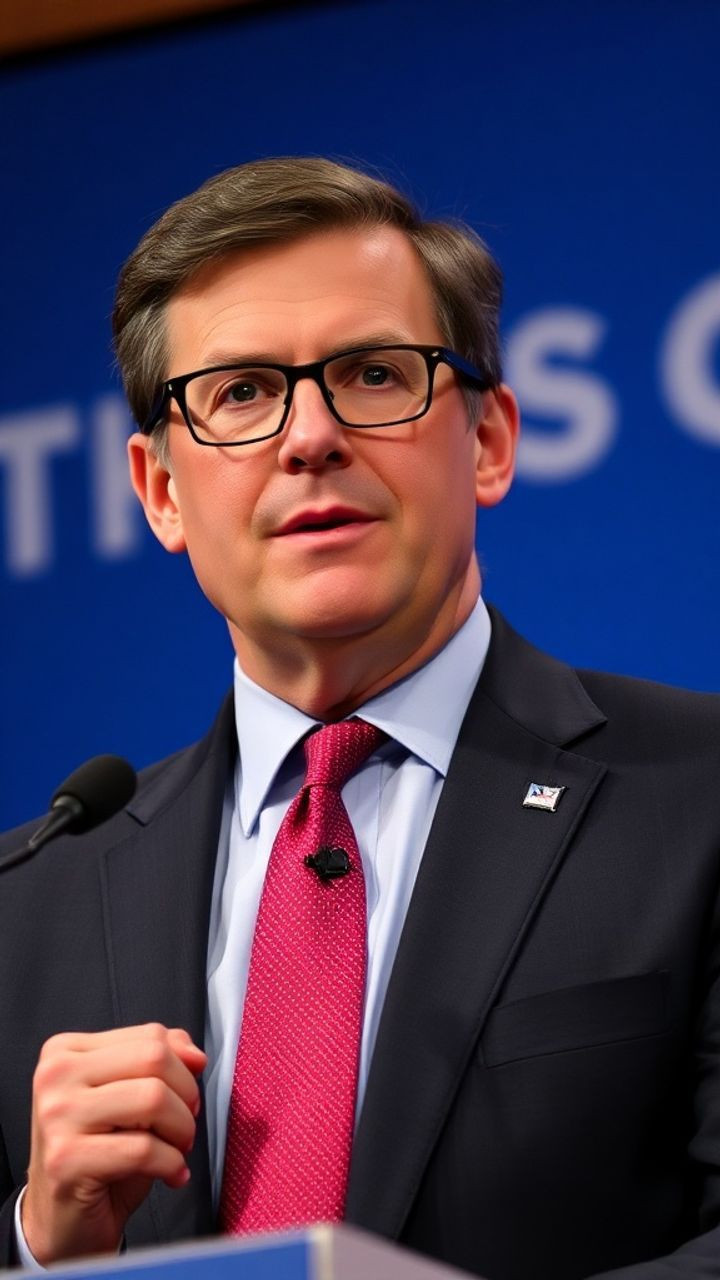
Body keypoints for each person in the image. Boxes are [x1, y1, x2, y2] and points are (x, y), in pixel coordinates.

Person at [0, 157, 719, 1280]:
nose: (309, 436)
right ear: (161, 492)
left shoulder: (699, 796)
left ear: (488, 442)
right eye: (241, 392)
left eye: (375, 374)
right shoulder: (24, 910)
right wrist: (43, 1249)